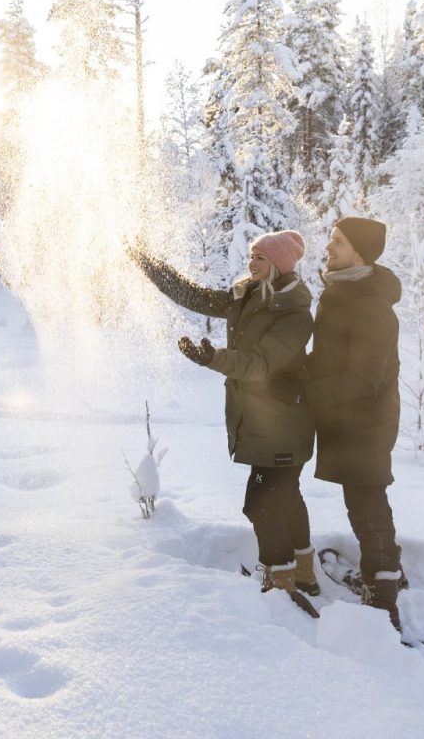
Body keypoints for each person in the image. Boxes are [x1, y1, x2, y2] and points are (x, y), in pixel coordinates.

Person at [129, 231, 319, 607]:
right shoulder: (246, 297)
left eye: (261, 258)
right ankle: (304, 574)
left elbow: (260, 365)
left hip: (284, 424)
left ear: (279, 265)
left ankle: (280, 583)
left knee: (261, 504)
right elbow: (194, 296)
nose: (252, 262)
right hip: (268, 423)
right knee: (286, 498)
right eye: (251, 255)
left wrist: (211, 358)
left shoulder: (294, 314)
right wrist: (147, 263)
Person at [308, 216, 405, 631]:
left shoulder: (370, 306)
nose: (328, 247)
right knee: (365, 501)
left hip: (365, 421)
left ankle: (384, 601)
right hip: (349, 418)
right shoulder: (343, 293)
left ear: (359, 252)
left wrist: (306, 394)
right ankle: (388, 575)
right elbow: (332, 359)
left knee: (366, 505)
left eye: (338, 242)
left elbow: (362, 379)